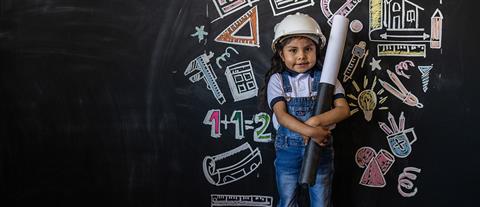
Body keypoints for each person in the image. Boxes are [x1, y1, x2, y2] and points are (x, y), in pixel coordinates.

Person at [261, 13, 350, 207]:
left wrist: (315, 122)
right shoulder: (277, 80)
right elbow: (282, 116)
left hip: (321, 149)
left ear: (316, 50)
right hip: (288, 151)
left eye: (308, 49)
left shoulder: (328, 78)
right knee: (288, 200)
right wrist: (311, 132)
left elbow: (343, 110)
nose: (301, 56)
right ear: (281, 54)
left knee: (321, 200)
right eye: (293, 50)